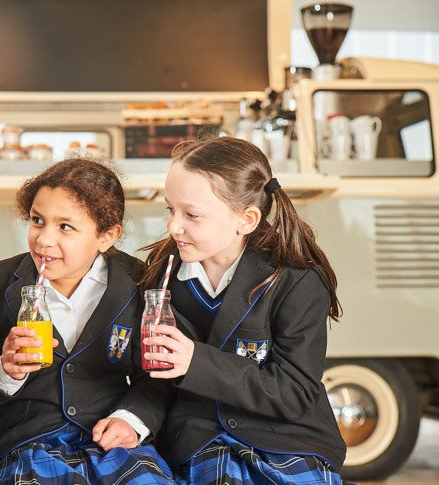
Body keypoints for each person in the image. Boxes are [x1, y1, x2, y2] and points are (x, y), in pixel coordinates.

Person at [140, 137, 346, 484]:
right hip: (199, 438)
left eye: (191, 215)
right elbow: (152, 379)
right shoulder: (163, 271)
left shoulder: (296, 278)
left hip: (286, 438)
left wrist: (196, 362)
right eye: (169, 210)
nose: (174, 226)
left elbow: (294, 393)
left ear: (247, 219)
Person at [0, 158, 174, 484]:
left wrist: (129, 420)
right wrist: (5, 370)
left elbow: (155, 378)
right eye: (37, 221)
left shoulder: (138, 283)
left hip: (109, 439)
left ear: (107, 236)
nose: (44, 240)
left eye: (65, 227)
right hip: (26, 443)